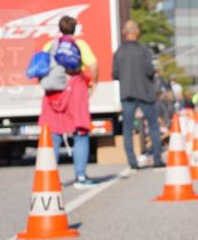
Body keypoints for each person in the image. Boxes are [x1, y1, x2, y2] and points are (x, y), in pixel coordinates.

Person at [39, 15, 100, 188]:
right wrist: (93, 84)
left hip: (53, 92)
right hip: (75, 89)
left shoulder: (49, 45)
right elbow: (94, 65)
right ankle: (80, 177)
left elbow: (42, 67)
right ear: (75, 28)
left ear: (59, 28)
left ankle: (49, 179)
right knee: (80, 133)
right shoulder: (80, 45)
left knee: (53, 135)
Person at [112, 20, 163, 177]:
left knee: (127, 128)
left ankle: (132, 163)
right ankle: (157, 160)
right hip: (145, 93)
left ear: (124, 33)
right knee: (153, 126)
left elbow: (115, 74)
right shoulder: (144, 50)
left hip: (127, 93)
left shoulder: (118, 52)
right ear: (137, 32)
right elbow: (149, 71)